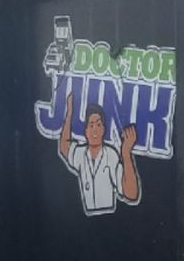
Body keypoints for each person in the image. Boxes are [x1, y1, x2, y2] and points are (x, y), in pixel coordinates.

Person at [59, 86, 140, 216]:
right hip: (84, 222)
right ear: (85, 131)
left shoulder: (111, 155)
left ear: (104, 129)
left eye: (98, 124)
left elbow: (131, 193)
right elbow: (64, 147)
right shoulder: (80, 154)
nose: (95, 130)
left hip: (111, 219)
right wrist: (69, 114)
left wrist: (126, 153)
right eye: (91, 125)